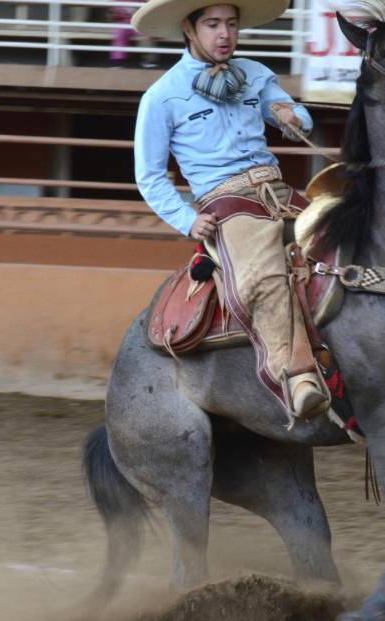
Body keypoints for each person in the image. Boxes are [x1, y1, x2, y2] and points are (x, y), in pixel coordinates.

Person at [130, 0, 331, 420]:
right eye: (213, 24)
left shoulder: (255, 75)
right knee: (264, 277)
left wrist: (289, 114)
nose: (225, 34)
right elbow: (148, 176)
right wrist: (187, 219)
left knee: (345, 236)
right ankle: (296, 376)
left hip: (277, 189)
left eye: (232, 24)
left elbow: (300, 119)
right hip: (227, 202)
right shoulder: (162, 96)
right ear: (189, 28)